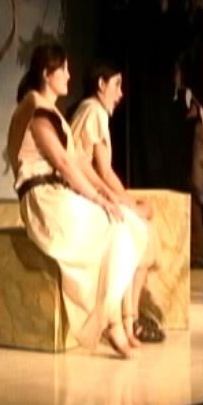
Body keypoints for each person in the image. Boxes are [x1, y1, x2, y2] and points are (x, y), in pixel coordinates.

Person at [6, 44, 150, 358]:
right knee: (113, 227)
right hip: (44, 201)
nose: (70, 76)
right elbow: (63, 163)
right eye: (64, 70)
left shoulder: (51, 111)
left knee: (125, 226)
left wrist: (108, 196)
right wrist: (98, 198)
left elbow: (78, 163)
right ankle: (112, 323)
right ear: (47, 74)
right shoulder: (36, 110)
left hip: (57, 195)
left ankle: (116, 320)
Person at [69, 61, 164, 343]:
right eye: (116, 85)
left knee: (143, 228)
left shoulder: (92, 111)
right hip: (84, 196)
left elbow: (99, 169)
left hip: (89, 192)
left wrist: (127, 200)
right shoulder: (93, 110)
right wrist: (125, 202)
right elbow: (97, 169)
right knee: (141, 231)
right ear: (101, 84)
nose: (121, 93)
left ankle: (129, 318)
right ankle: (129, 319)